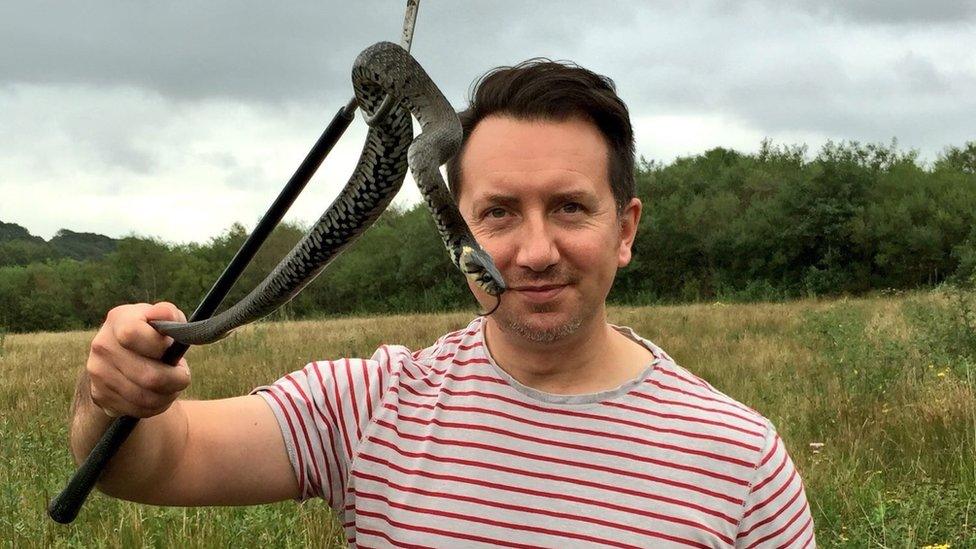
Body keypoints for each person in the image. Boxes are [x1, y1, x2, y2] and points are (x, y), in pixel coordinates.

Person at [70, 59, 816, 547]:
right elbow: (150, 464)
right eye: (497, 213)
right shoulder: (369, 404)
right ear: (455, 220)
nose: (531, 252)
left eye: (568, 208)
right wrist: (113, 392)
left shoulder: (740, 457)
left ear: (624, 229)